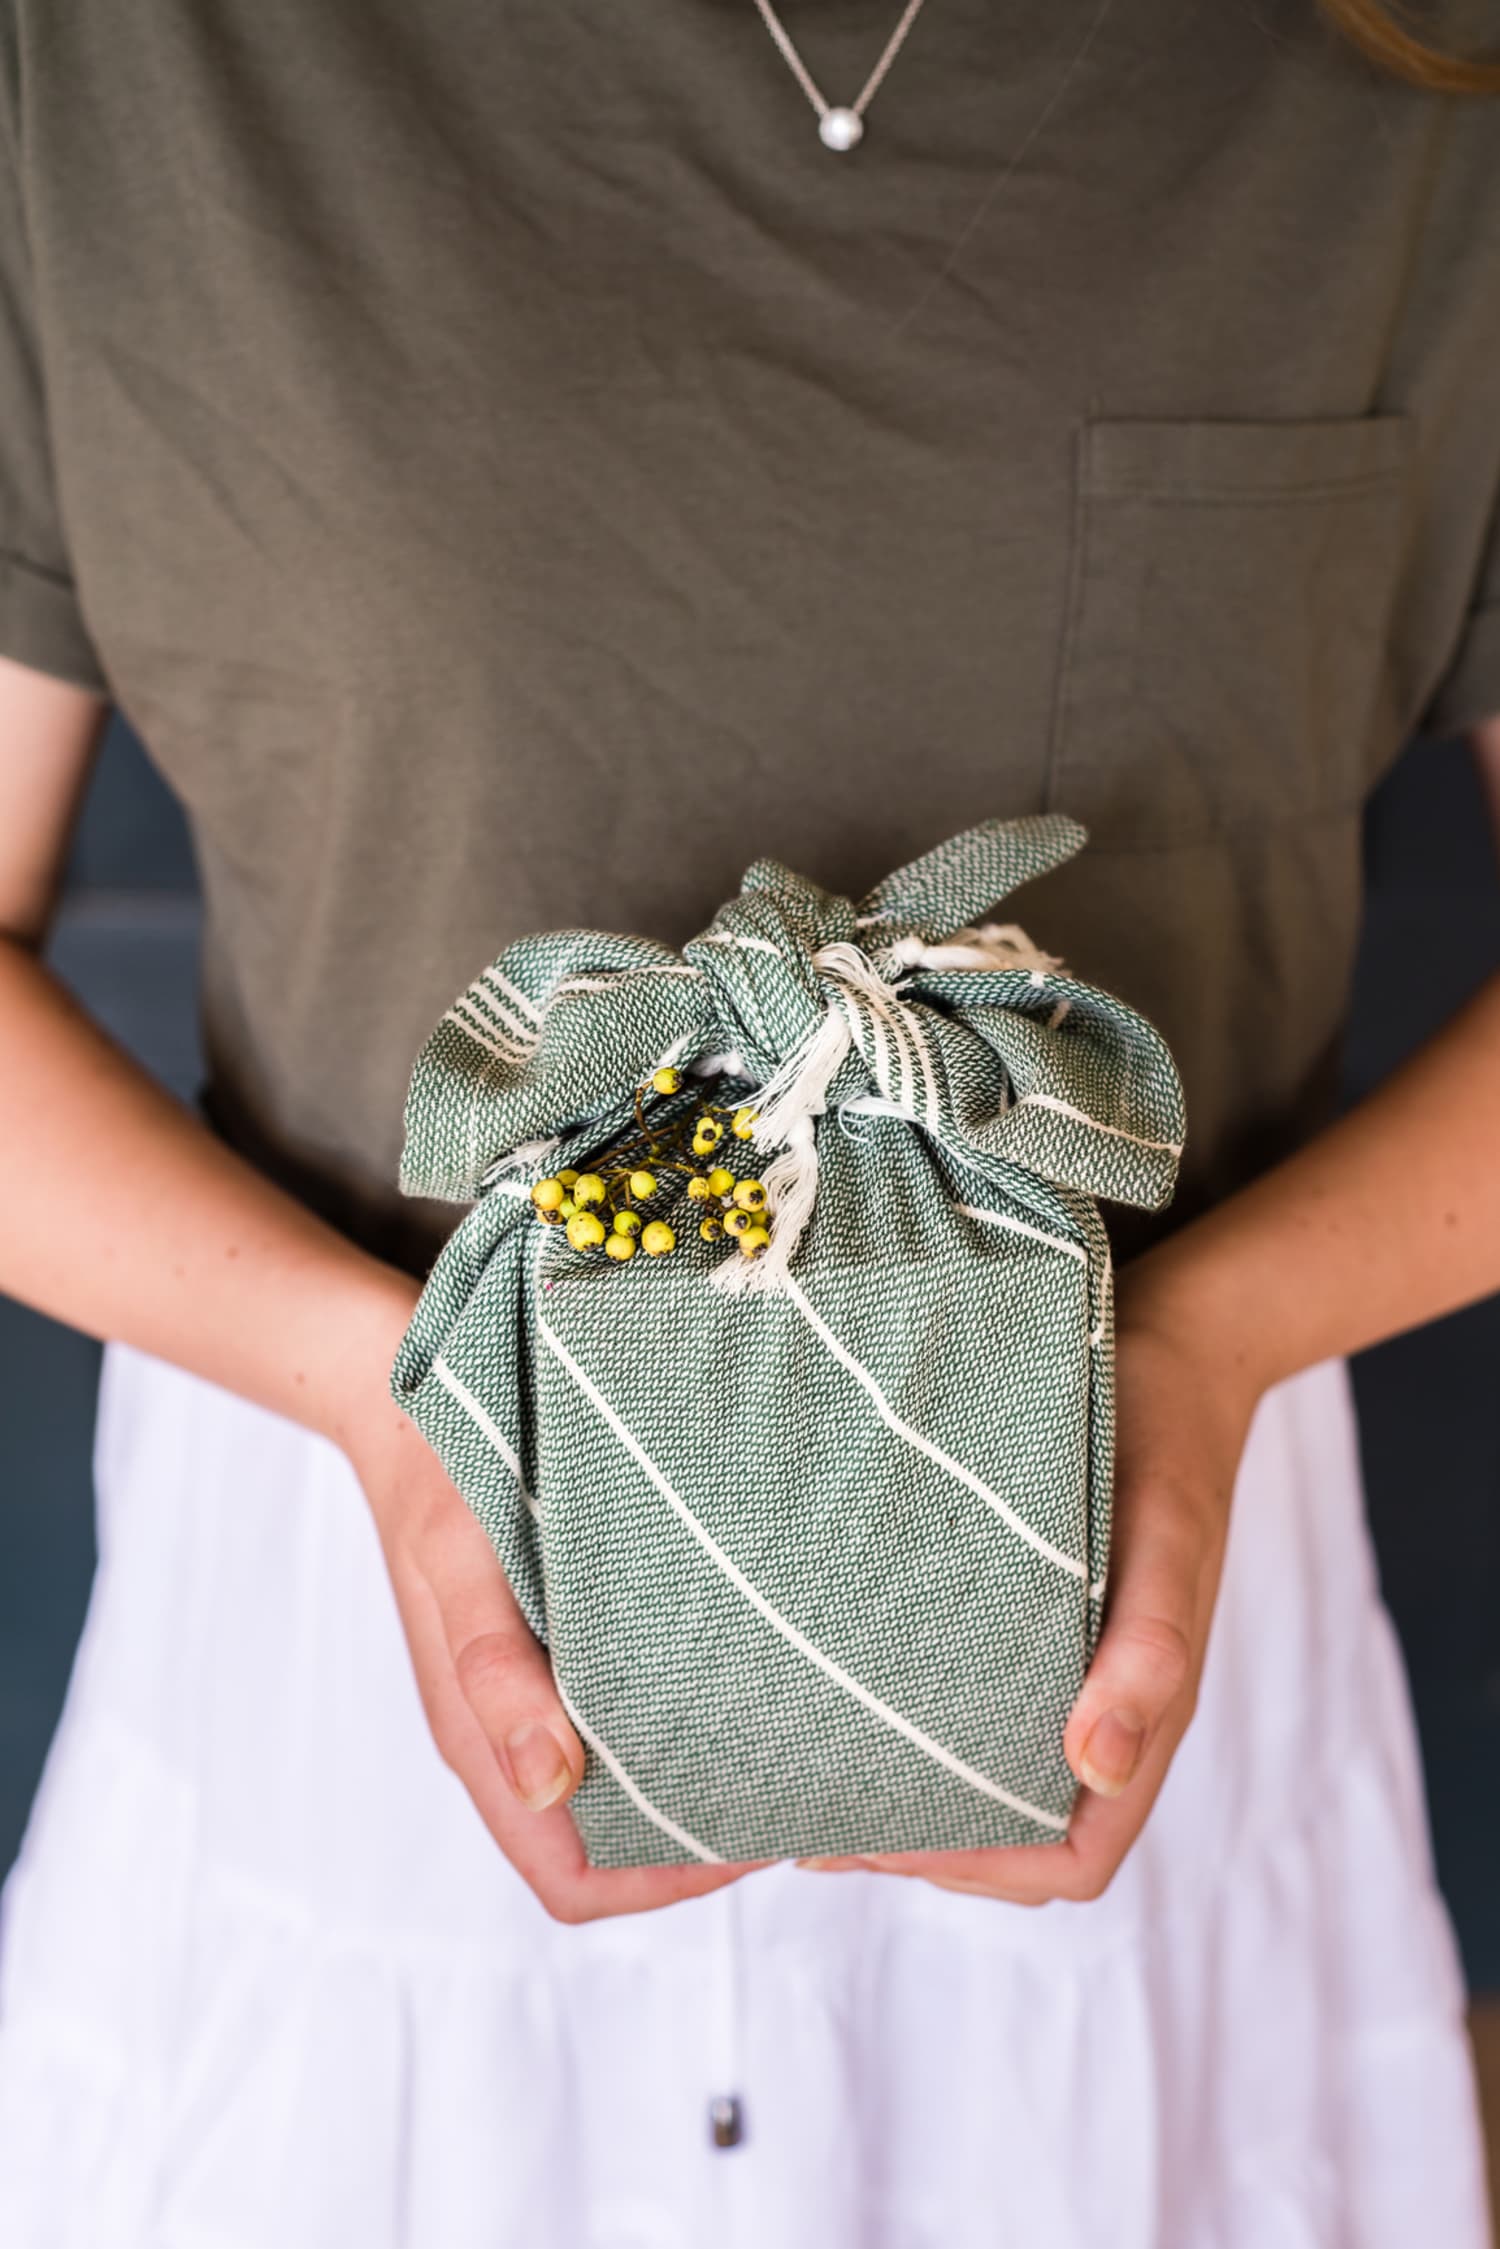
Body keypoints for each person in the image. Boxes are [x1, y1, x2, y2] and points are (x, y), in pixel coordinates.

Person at [0, 0, 1497, 2240]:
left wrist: (1200, 1361)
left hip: (1154, 1685)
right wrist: (397, 1415)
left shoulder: (1426, 76)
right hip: (342, 1737)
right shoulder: (110, 67)